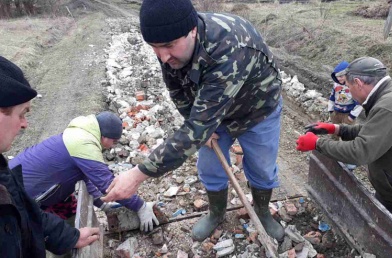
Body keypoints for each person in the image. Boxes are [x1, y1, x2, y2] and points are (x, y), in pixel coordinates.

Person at [102, 0, 285, 242]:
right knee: (210, 165)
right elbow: (177, 89)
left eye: (168, 46)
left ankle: (262, 212)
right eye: (154, 47)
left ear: (193, 31)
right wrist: (196, 123)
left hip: (257, 109)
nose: (163, 56)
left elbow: (196, 129)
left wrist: (138, 174)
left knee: (262, 166)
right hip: (211, 110)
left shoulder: (229, 49)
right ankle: (216, 213)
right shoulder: (170, 45)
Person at [0, 55, 100, 257]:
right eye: (21, 113)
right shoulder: (85, 145)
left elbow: (27, 213)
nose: (25, 124)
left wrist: (70, 237)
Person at [9, 111, 159, 232]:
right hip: (16, 195)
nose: (112, 146)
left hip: (33, 186)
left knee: (69, 219)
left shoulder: (80, 135)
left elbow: (86, 179)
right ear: (105, 135)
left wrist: (103, 204)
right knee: (27, 240)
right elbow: (108, 185)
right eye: (114, 141)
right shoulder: (84, 143)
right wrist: (140, 206)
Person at [296, 56, 392, 220]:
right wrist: (337, 129)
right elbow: (372, 131)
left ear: (358, 83)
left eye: (349, 87)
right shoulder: (390, 95)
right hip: (390, 186)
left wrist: (317, 143)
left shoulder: (389, 106)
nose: (349, 93)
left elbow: (360, 151)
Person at [328, 61, 363, 126]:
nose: (339, 79)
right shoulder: (336, 85)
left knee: (348, 133)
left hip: (348, 114)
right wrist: (331, 111)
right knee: (334, 131)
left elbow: (359, 103)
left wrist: (352, 116)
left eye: (341, 76)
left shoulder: (354, 86)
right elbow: (332, 98)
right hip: (336, 113)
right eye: (337, 77)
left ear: (348, 75)